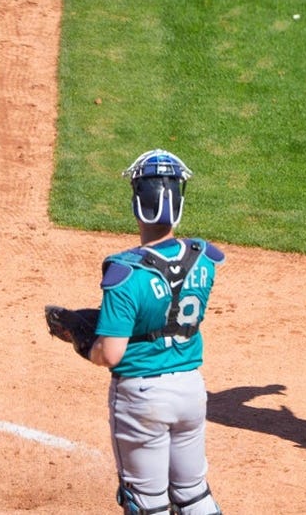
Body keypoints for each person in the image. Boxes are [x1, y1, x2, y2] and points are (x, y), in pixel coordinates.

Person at [90, 149, 225, 515]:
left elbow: (111, 354)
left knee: (146, 505)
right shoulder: (205, 257)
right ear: (179, 202)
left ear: (137, 202)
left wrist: (86, 344)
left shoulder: (123, 272)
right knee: (194, 495)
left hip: (141, 397)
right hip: (190, 391)